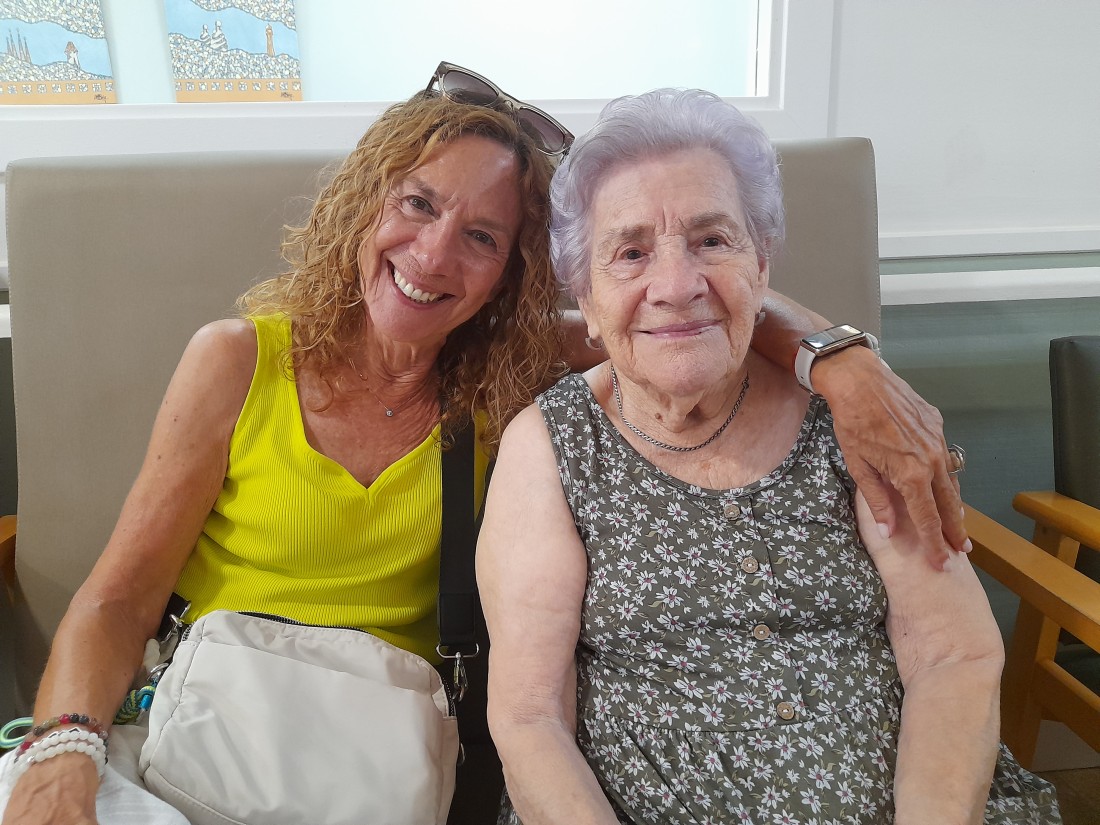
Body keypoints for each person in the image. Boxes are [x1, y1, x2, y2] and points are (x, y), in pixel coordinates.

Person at [0, 64, 966, 823]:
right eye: (418, 204)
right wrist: (62, 749)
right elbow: (118, 597)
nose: (432, 255)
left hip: (372, 768)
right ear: (365, 201)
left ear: (512, 273)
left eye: (483, 237)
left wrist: (845, 365)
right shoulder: (238, 361)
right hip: (200, 731)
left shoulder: (508, 376)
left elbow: (684, 301)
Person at [478, 88, 1060, 824]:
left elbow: (954, 655)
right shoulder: (554, 444)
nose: (676, 285)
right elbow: (530, 716)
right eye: (630, 253)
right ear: (587, 300)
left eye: (711, 240)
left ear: (761, 265)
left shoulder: (852, 419)